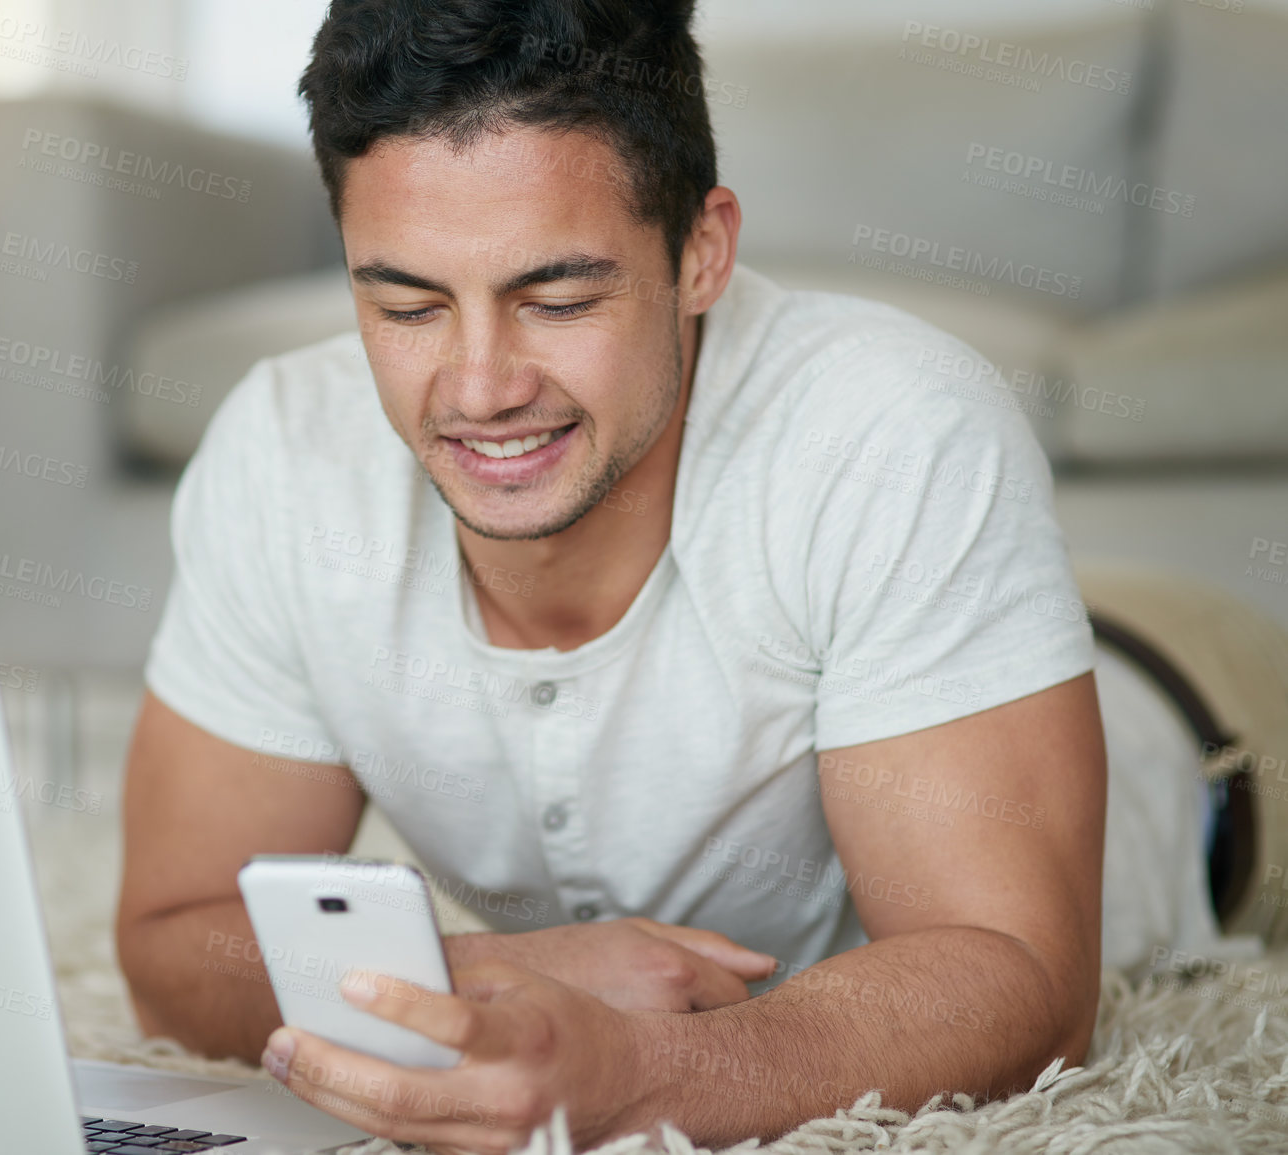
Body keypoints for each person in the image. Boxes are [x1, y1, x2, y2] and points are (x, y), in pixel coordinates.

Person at [113, 1, 1232, 1149]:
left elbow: (1025, 986)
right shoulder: (282, 449)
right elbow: (171, 942)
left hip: (1202, 700)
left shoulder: (900, 427)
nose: (480, 387)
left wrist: (642, 1075)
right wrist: (491, 979)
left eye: (558, 299)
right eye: (406, 304)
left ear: (702, 251)